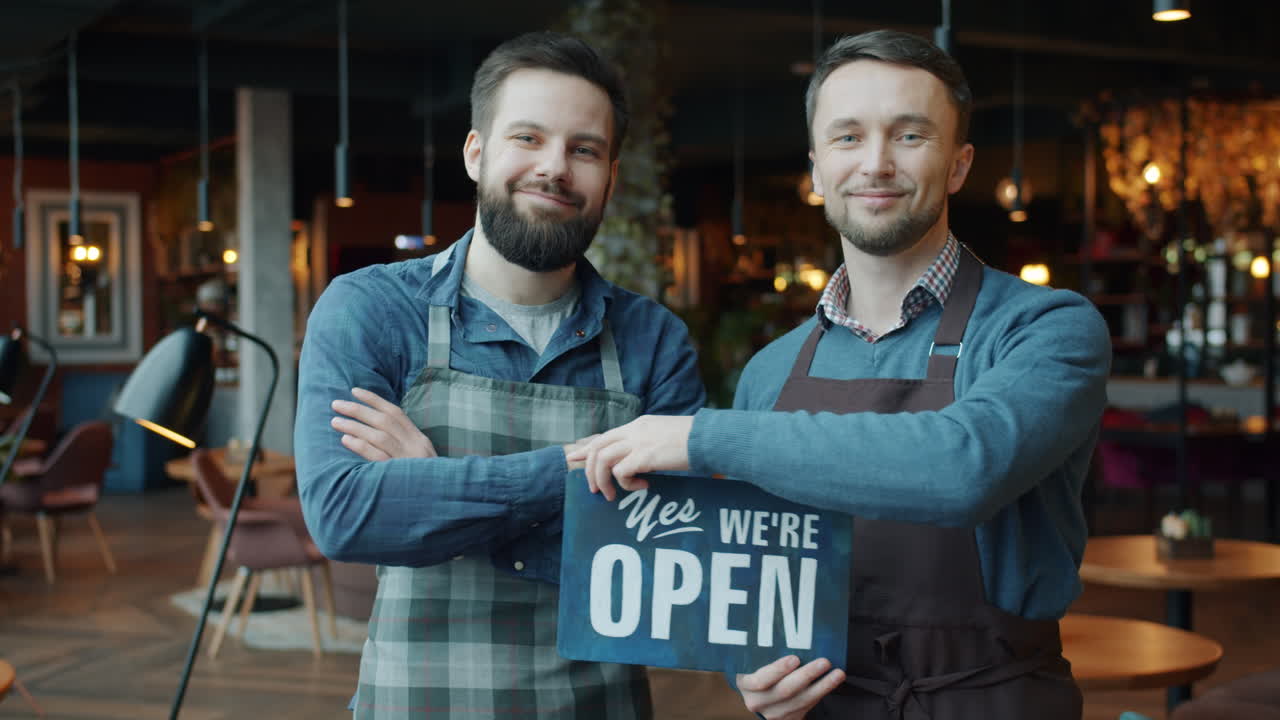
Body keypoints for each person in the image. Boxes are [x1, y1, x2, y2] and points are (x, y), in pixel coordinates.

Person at [572, 30, 1110, 720]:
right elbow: (757, 572)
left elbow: (962, 468)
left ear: (958, 165)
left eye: (910, 136)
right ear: (817, 170)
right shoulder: (772, 371)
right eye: (848, 137)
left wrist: (700, 438)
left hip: (993, 701)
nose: (876, 163)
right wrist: (753, 672)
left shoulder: (1046, 329)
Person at [294, 31, 705, 719]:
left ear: (611, 175)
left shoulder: (653, 340)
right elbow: (344, 519)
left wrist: (431, 487)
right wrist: (574, 474)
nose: (555, 168)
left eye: (584, 149)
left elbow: (669, 560)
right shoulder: (371, 309)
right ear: (477, 153)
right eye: (528, 138)